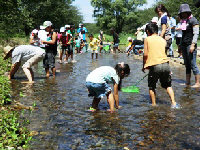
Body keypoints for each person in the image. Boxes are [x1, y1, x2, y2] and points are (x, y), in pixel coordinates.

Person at [142, 23, 179, 108]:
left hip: (155, 66)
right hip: (166, 64)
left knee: (151, 86)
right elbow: (164, 54)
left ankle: (154, 104)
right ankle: (174, 103)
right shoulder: (162, 40)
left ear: (147, 31)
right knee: (168, 85)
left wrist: (144, 65)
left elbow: (145, 54)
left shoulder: (147, 39)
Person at [179, 4, 200, 87]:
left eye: (185, 12)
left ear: (188, 12)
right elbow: (183, 34)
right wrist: (180, 45)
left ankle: (197, 83)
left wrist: (193, 44)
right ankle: (187, 82)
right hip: (184, 44)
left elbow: (196, 33)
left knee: (193, 64)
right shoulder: (184, 21)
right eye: (182, 13)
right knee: (187, 64)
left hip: (190, 45)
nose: (184, 14)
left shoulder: (193, 20)